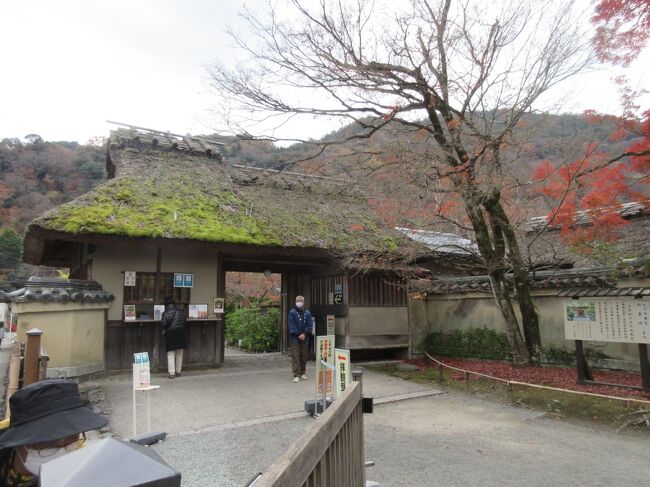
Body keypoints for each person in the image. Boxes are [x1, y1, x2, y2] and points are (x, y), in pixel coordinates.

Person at [0, 379, 108, 486]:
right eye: (49, 445)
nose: (62, 453)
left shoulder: (82, 473)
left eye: (71, 440)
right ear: (19, 442)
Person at [288, 295, 313, 383]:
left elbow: (310, 324)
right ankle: (296, 374)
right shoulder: (292, 312)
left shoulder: (307, 313)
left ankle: (303, 372)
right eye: (298, 301)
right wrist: (299, 334)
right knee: (295, 355)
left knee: (304, 355)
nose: (299, 302)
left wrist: (304, 333)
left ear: (303, 302)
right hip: (295, 338)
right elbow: (291, 324)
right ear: (295, 302)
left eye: (301, 301)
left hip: (305, 338)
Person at [161, 297, 187, 379]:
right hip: (181, 333)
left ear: (166, 304)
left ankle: (172, 373)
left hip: (171, 334)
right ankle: (178, 371)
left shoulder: (165, 313)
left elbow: (163, 325)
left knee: (171, 354)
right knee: (179, 353)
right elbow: (184, 321)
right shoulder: (180, 312)